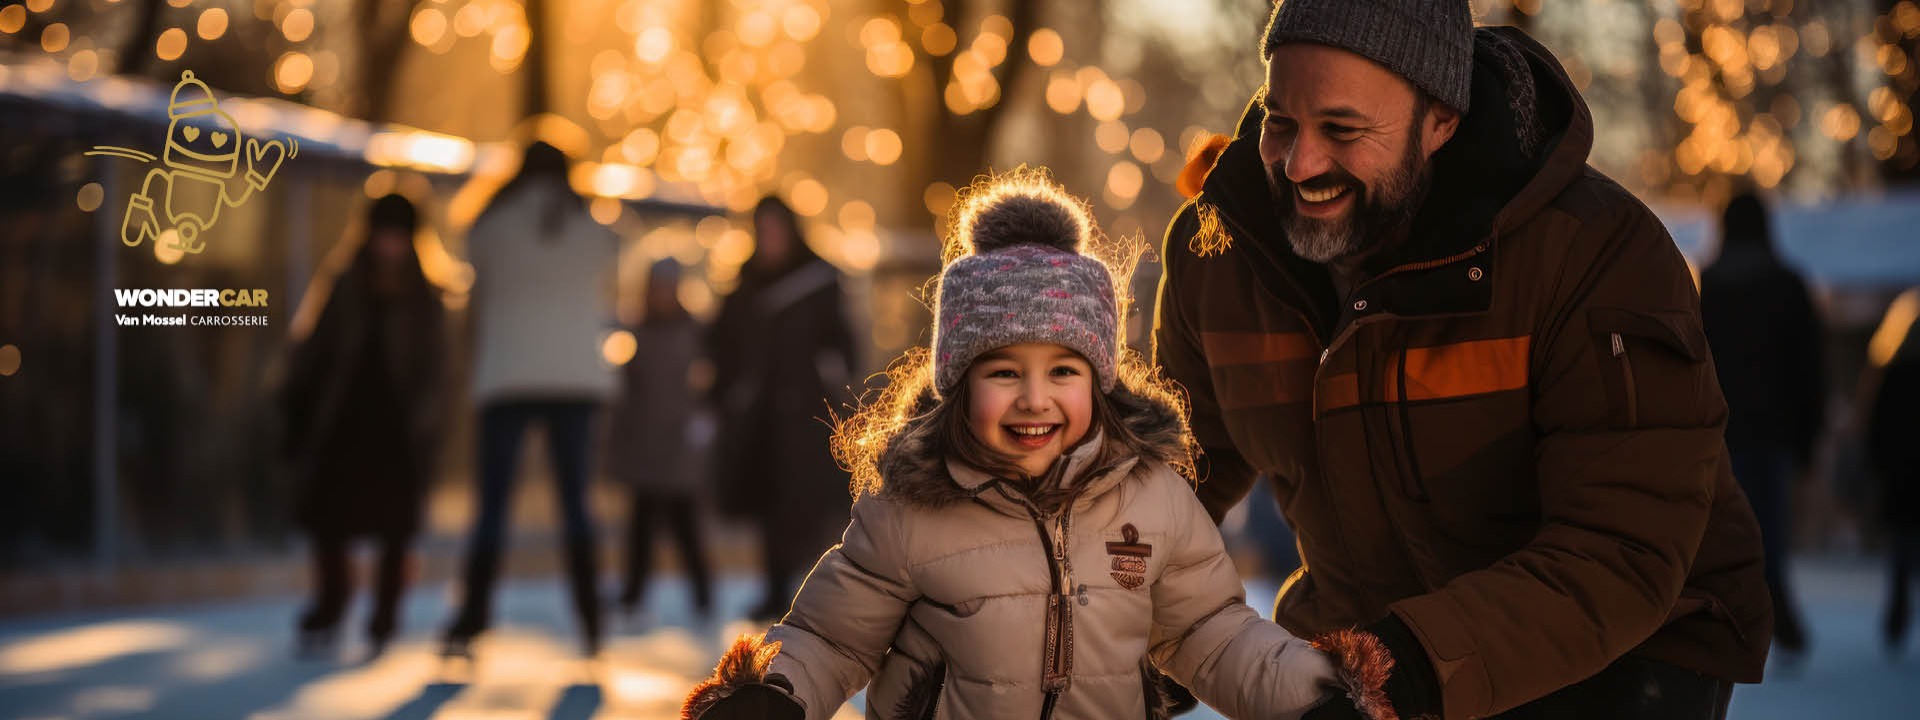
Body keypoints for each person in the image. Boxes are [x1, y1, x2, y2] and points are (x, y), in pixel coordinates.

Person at [1152, 2, 1770, 718]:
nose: (1301, 164)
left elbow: (1620, 544)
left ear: (1440, 120)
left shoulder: (1595, 253)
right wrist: (1127, 631)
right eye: (1280, 122)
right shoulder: (1219, 255)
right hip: (1363, 642)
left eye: (1342, 130)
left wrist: (1405, 666)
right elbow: (1170, 481)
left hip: (1619, 650)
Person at [684, 175, 1380, 720]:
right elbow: (835, 637)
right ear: (959, 384)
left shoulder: (1151, 497)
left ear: (1100, 380)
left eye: (1064, 371)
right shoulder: (912, 505)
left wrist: (1311, 695)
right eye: (1004, 372)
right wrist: (775, 693)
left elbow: (1213, 631)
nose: (1034, 398)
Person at [443, 141, 617, 658]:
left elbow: (470, 264)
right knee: (576, 504)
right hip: (575, 381)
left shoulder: (491, 224)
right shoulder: (594, 228)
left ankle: (471, 619)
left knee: (493, 506)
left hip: (506, 378)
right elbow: (615, 257)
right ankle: (591, 620)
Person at [283, 193, 447, 659]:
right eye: (383, 233)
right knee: (330, 520)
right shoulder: (345, 282)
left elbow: (436, 372)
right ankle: (331, 604)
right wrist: (298, 404)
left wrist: (426, 427)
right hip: (345, 420)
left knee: (396, 527)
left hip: (399, 429)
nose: (389, 245)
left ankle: (384, 616)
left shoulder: (426, 296)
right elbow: (313, 348)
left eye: (398, 235)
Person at [707, 195, 858, 622]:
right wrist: (726, 393)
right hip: (760, 418)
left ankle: (814, 594)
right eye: (763, 230)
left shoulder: (817, 281)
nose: (770, 239)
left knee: (809, 506)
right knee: (768, 504)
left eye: (776, 229)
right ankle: (774, 590)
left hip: (807, 415)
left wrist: (838, 383)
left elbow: (841, 342)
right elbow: (721, 346)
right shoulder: (745, 285)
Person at [1699, 191, 1825, 657]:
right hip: (1775, 428)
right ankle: (1774, 606)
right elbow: (1809, 369)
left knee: (1730, 528)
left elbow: (1696, 361)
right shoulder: (1788, 285)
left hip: (1722, 430)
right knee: (1769, 525)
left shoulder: (1711, 285)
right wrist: (1808, 437)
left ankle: (1745, 615)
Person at [609, 258, 716, 623]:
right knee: (640, 528)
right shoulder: (633, 334)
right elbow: (624, 392)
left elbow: (709, 386)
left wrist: (701, 423)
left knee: (686, 526)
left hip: (680, 447)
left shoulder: (697, 333)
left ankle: (703, 596)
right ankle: (632, 595)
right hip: (645, 446)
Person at [1865, 289, 1920, 653]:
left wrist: (1879, 467)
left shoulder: (1893, 375)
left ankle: (1897, 615)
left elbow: (1876, 429)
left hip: (1901, 479)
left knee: (1901, 549)